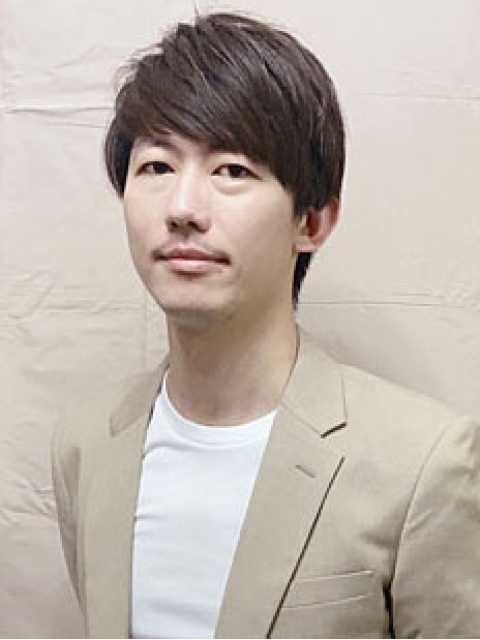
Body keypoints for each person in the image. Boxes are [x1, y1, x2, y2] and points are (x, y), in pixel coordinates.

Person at [51, 11, 480, 639]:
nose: (183, 208)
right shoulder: (85, 443)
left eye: (232, 170)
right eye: (157, 167)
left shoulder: (423, 463)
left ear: (313, 221)